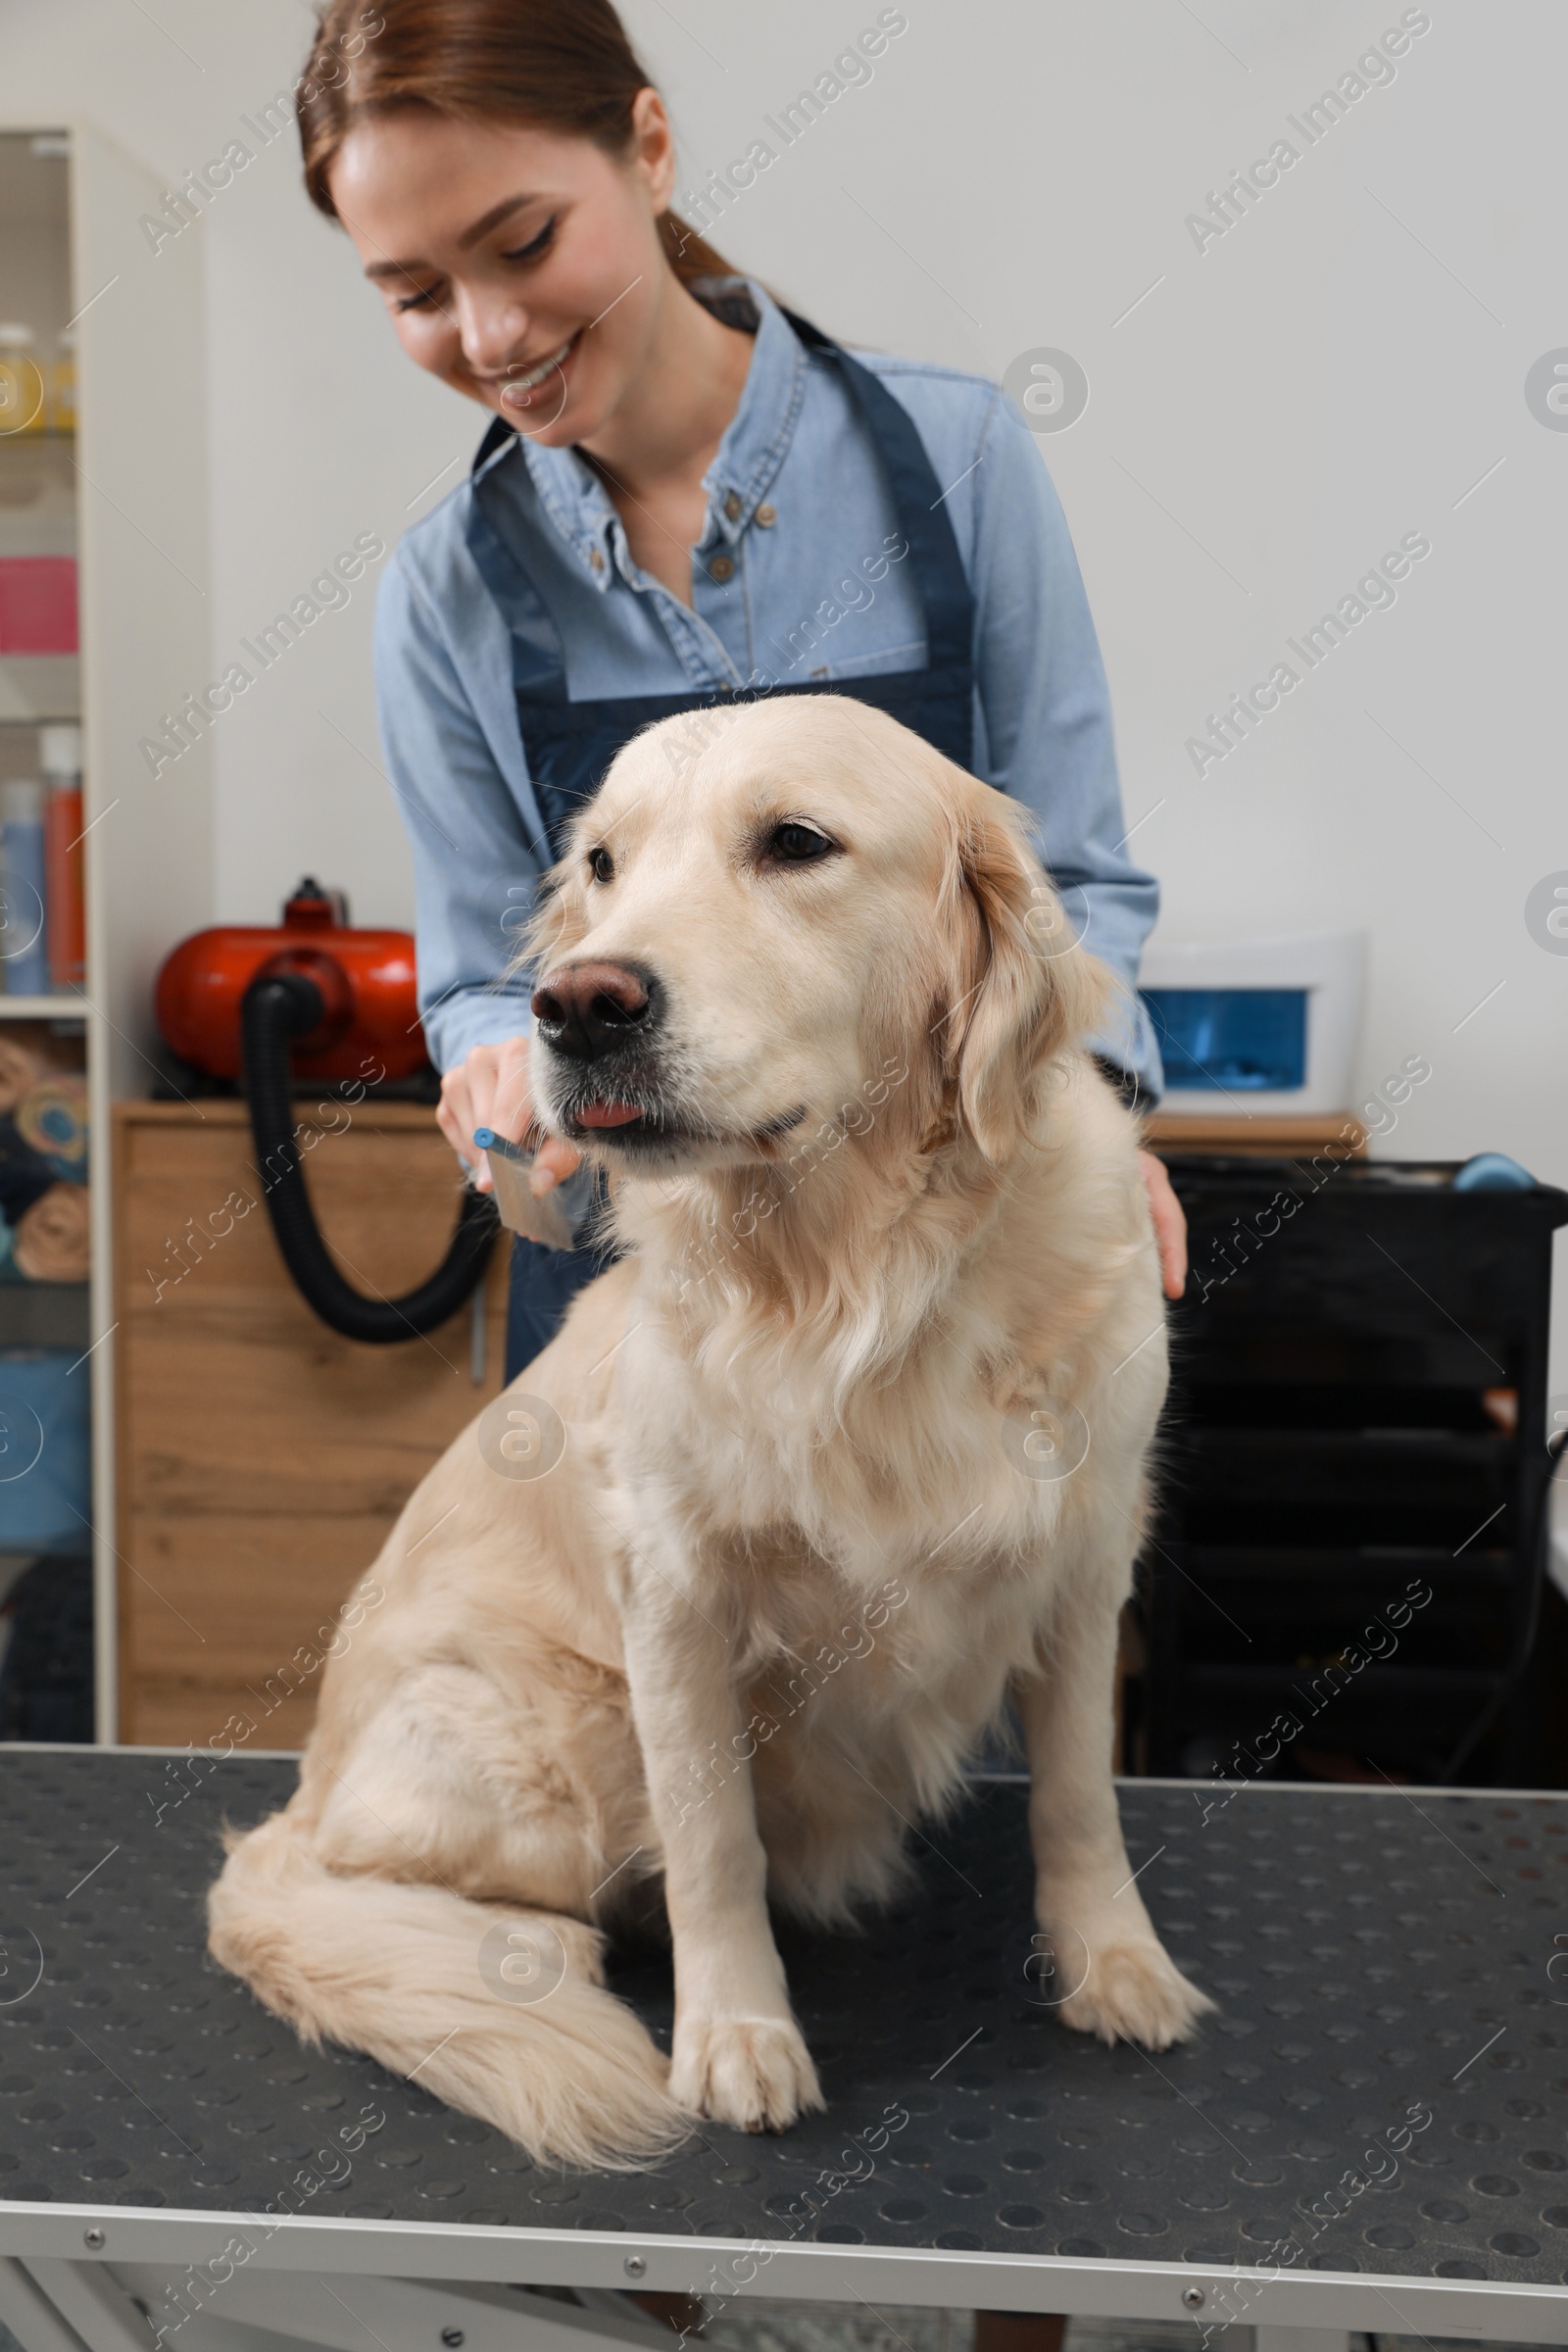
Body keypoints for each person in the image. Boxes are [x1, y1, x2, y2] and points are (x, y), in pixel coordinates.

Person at [297, 0, 1187, 1385]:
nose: (487, 331)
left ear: (649, 149)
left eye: (524, 243)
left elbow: (1070, 879)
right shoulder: (444, 591)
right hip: (640, 1290)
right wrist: (487, 1069)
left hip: (958, 1269)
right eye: (413, 293)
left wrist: (1096, 1125)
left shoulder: (957, 462)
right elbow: (483, 970)